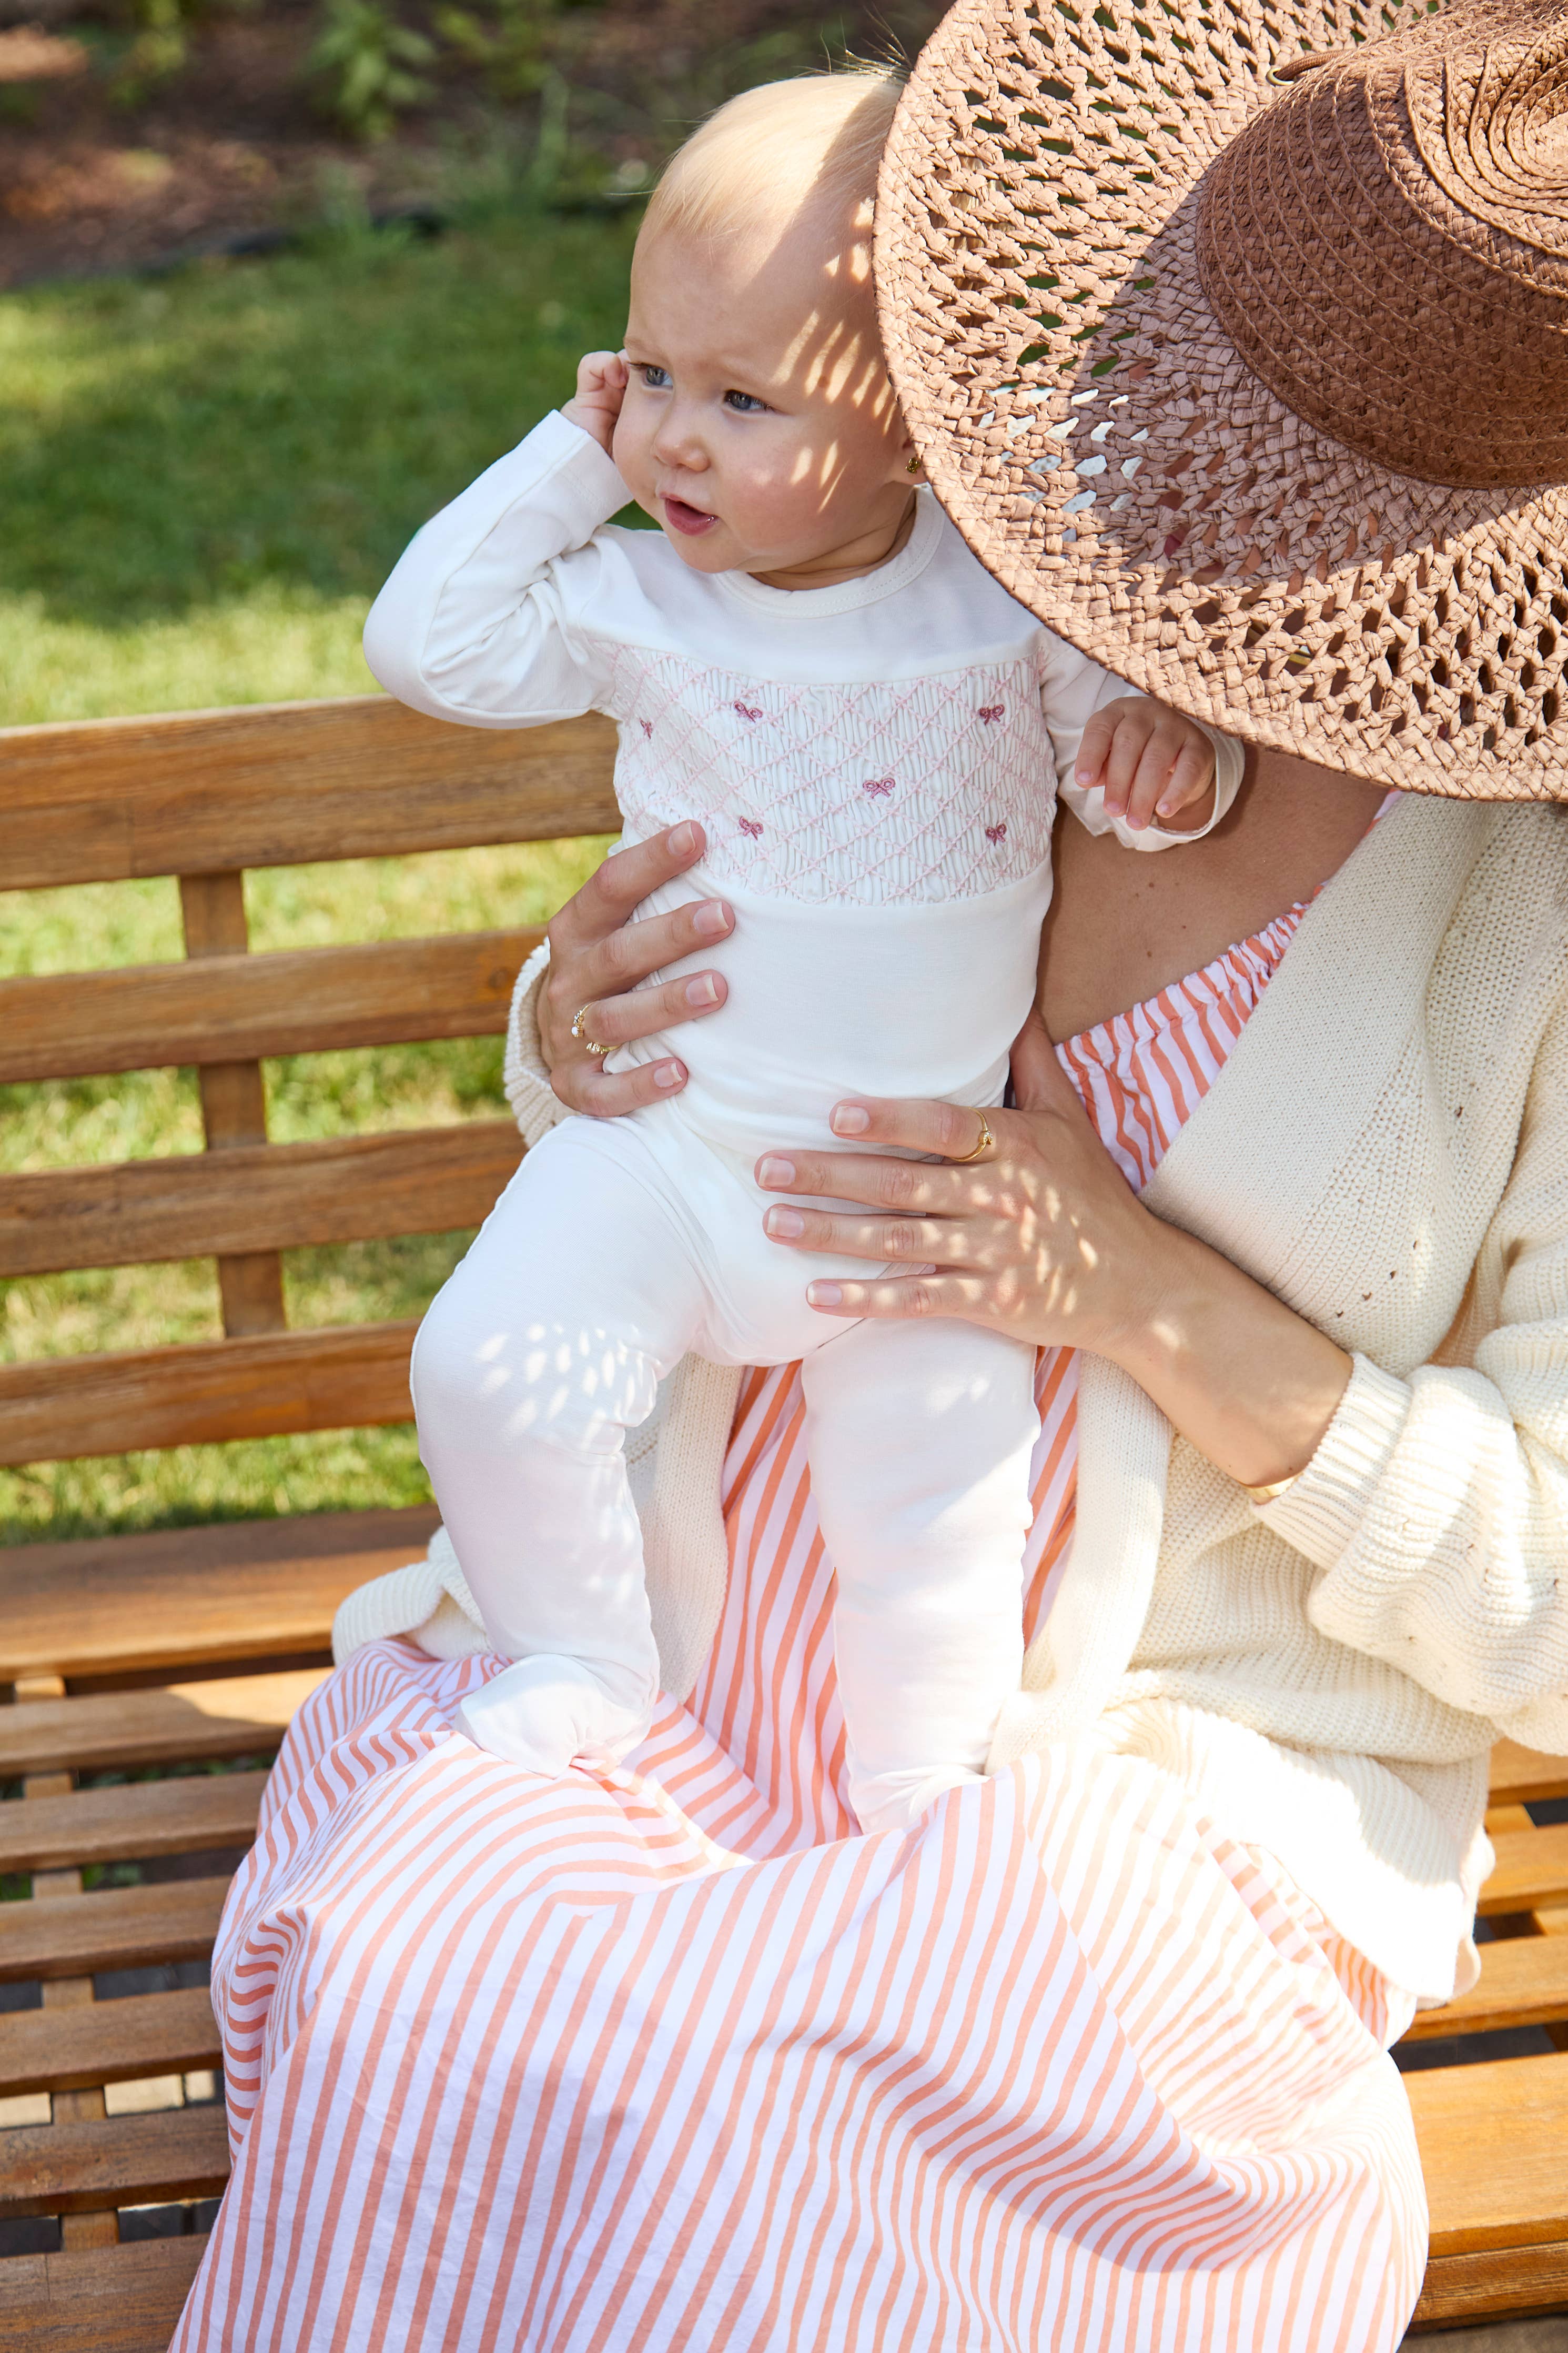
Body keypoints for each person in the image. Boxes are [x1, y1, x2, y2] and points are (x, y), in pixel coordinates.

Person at [173, 2, 1568, 2346]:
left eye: (1280, 478)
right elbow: (733, 1106)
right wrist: (577, 1036)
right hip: (685, 1625)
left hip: (1117, 1753)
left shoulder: (1514, 908)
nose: (1156, 498)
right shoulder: (968, 613)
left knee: (780, 2112)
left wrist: (1149, 1303)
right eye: (1182, 397)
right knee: (432, 1994)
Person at [360, 70, 1240, 1833]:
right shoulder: (633, 599)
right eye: (653, 370)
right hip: (675, 1147)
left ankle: (922, 1781)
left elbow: (1118, 777)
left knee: (938, 1489)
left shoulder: (1003, 598)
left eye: (742, 397)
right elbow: (424, 644)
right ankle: (583, 1657)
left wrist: (1170, 765)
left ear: (918, 429)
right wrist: (565, 449)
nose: (673, 437)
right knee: (482, 1363)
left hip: (904, 1182)